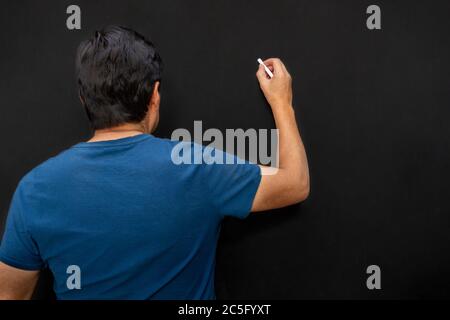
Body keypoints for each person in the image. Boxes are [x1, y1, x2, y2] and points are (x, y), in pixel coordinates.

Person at [0, 26, 309, 299]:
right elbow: (295, 183)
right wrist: (282, 102)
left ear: (84, 98)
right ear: (155, 95)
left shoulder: (34, 190)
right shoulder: (195, 166)